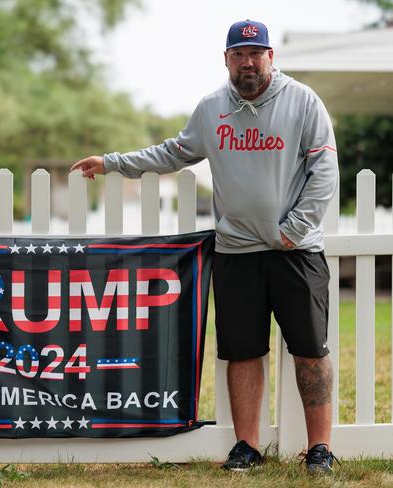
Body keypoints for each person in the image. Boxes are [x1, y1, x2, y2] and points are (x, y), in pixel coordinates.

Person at [71, 19, 340, 474]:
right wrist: (113, 162)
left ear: (271, 57)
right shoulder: (213, 107)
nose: (248, 62)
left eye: (256, 53)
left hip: (294, 252)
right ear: (227, 59)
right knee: (241, 350)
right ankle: (247, 447)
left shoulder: (303, 102)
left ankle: (319, 450)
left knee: (311, 350)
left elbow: (325, 171)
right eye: (239, 54)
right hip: (236, 252)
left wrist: (293, 228)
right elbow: (174, 152)